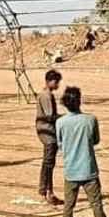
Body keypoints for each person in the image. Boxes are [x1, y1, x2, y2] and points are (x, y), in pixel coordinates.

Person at [56, 86, 109, 217]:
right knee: (97, 205)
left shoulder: (60, 122)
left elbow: (60, 144)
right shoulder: (91, 119)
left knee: (68, 207)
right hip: (89, 170)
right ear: (79, 101)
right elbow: (95, 140)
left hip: (70, 171)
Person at [35, 69, 63, 205]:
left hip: (47, 130)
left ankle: (44, 189)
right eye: (56, 82)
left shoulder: (45, 94)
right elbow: (50, 116)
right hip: (47, 132)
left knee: (47, 162)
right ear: (49, 81)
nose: (57, 85)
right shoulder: (46, 96)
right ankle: (48, 192)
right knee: (49, 163)